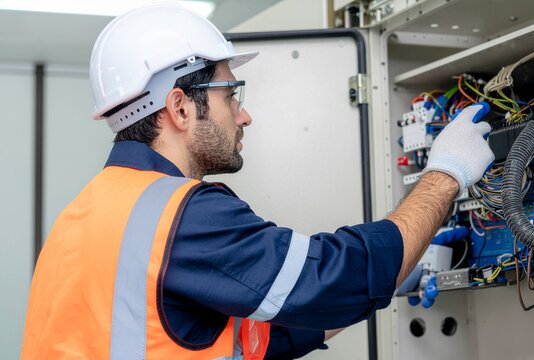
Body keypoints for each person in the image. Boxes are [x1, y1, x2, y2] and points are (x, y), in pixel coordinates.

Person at [21, 3, 493, 360]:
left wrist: (391, 273)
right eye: (231, 95)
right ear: (181, 107)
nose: (244, 115)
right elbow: (328, 280)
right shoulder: (182, 216)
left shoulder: (82, 215)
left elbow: (251, 339)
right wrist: (444, 174)